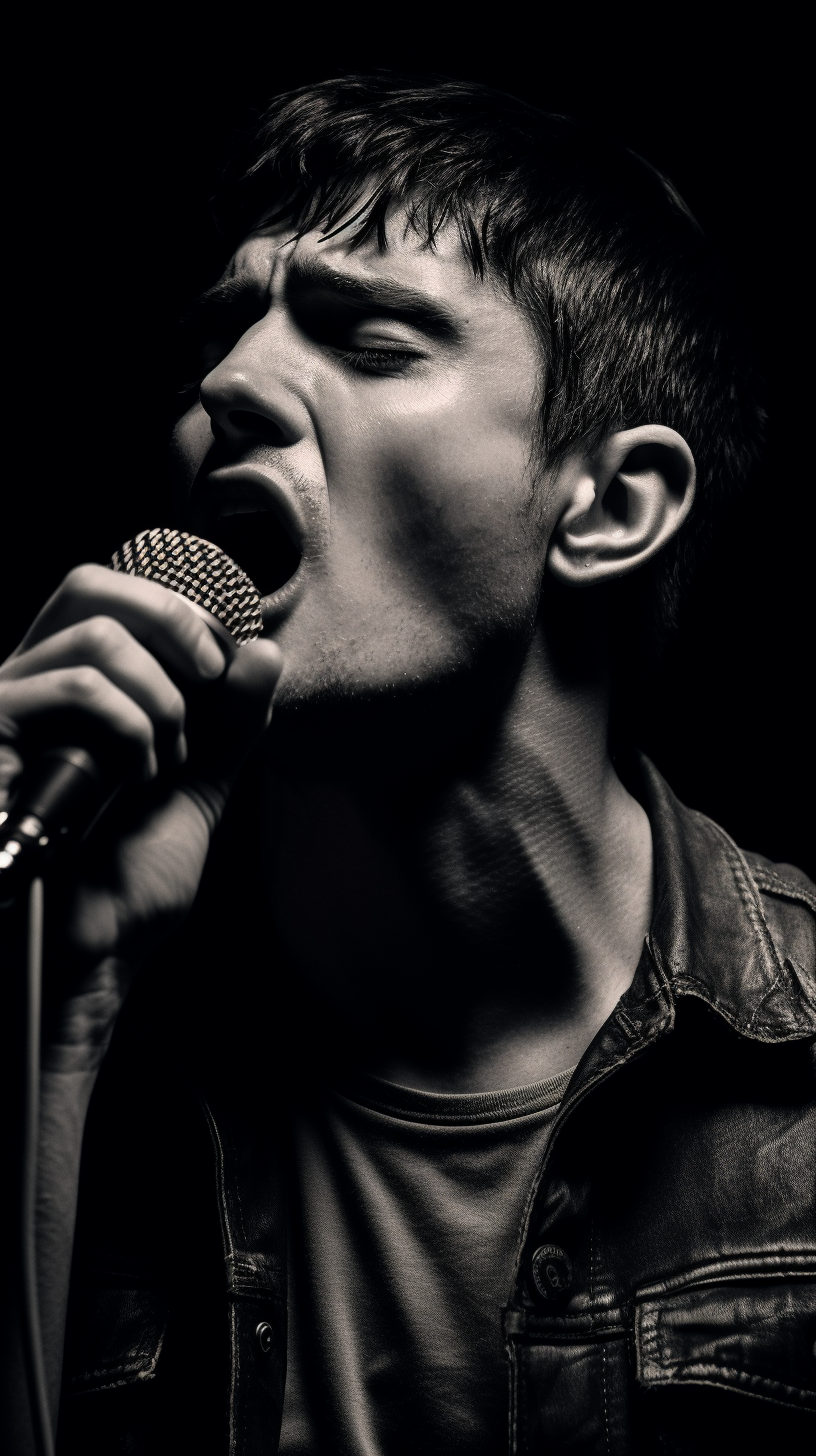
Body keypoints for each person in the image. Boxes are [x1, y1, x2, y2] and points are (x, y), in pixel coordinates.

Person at [2, 75, 813, 1455]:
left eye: (370, 341)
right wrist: (61, 1004)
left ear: (609, 506)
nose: (229, 384)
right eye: (224, 332)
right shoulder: (66, 981)